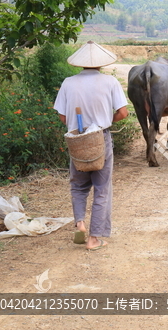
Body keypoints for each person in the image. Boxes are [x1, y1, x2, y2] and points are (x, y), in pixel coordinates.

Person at [54, 41, 128, 251]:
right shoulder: (110, 82)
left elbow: (62, 115)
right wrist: (105, 120)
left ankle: (80, 223)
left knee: (78, 186)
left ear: (80, 64)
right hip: (99, 139)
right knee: (102, 189)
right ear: (101, 64)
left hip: (76, 139)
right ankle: (94, 238)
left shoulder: (68, 82)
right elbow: (123, 113)